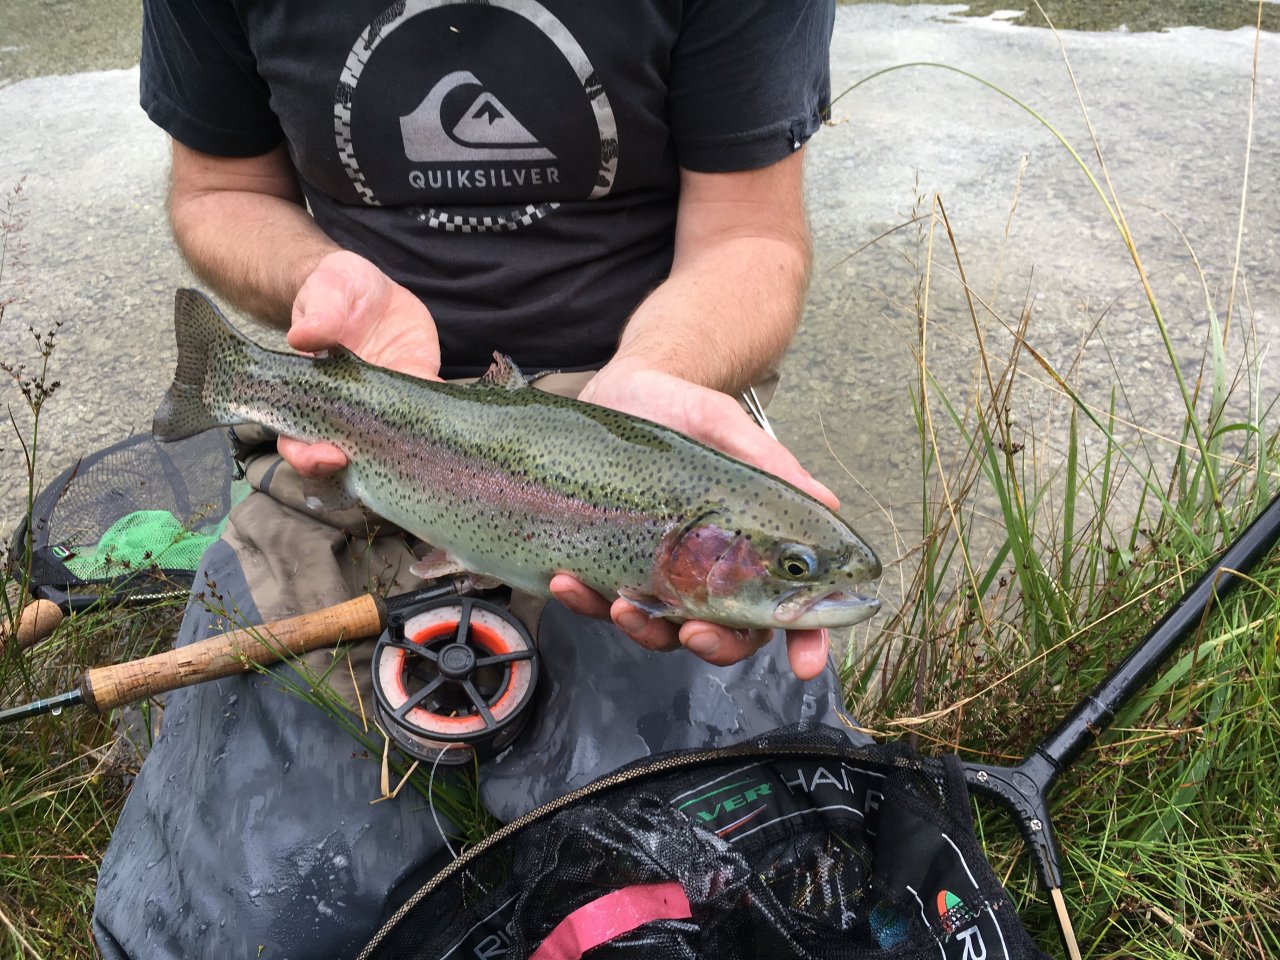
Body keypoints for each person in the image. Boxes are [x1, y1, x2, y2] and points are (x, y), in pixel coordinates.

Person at [93, 2, 869, 957]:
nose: (808, 586)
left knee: (747, 876)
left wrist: (657, 373)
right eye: (794, 568)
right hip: (370, 395)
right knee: (234, 921)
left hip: (649, 398)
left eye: (791, 569)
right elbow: (216, 188)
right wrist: (321, 275)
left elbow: (753, 237)